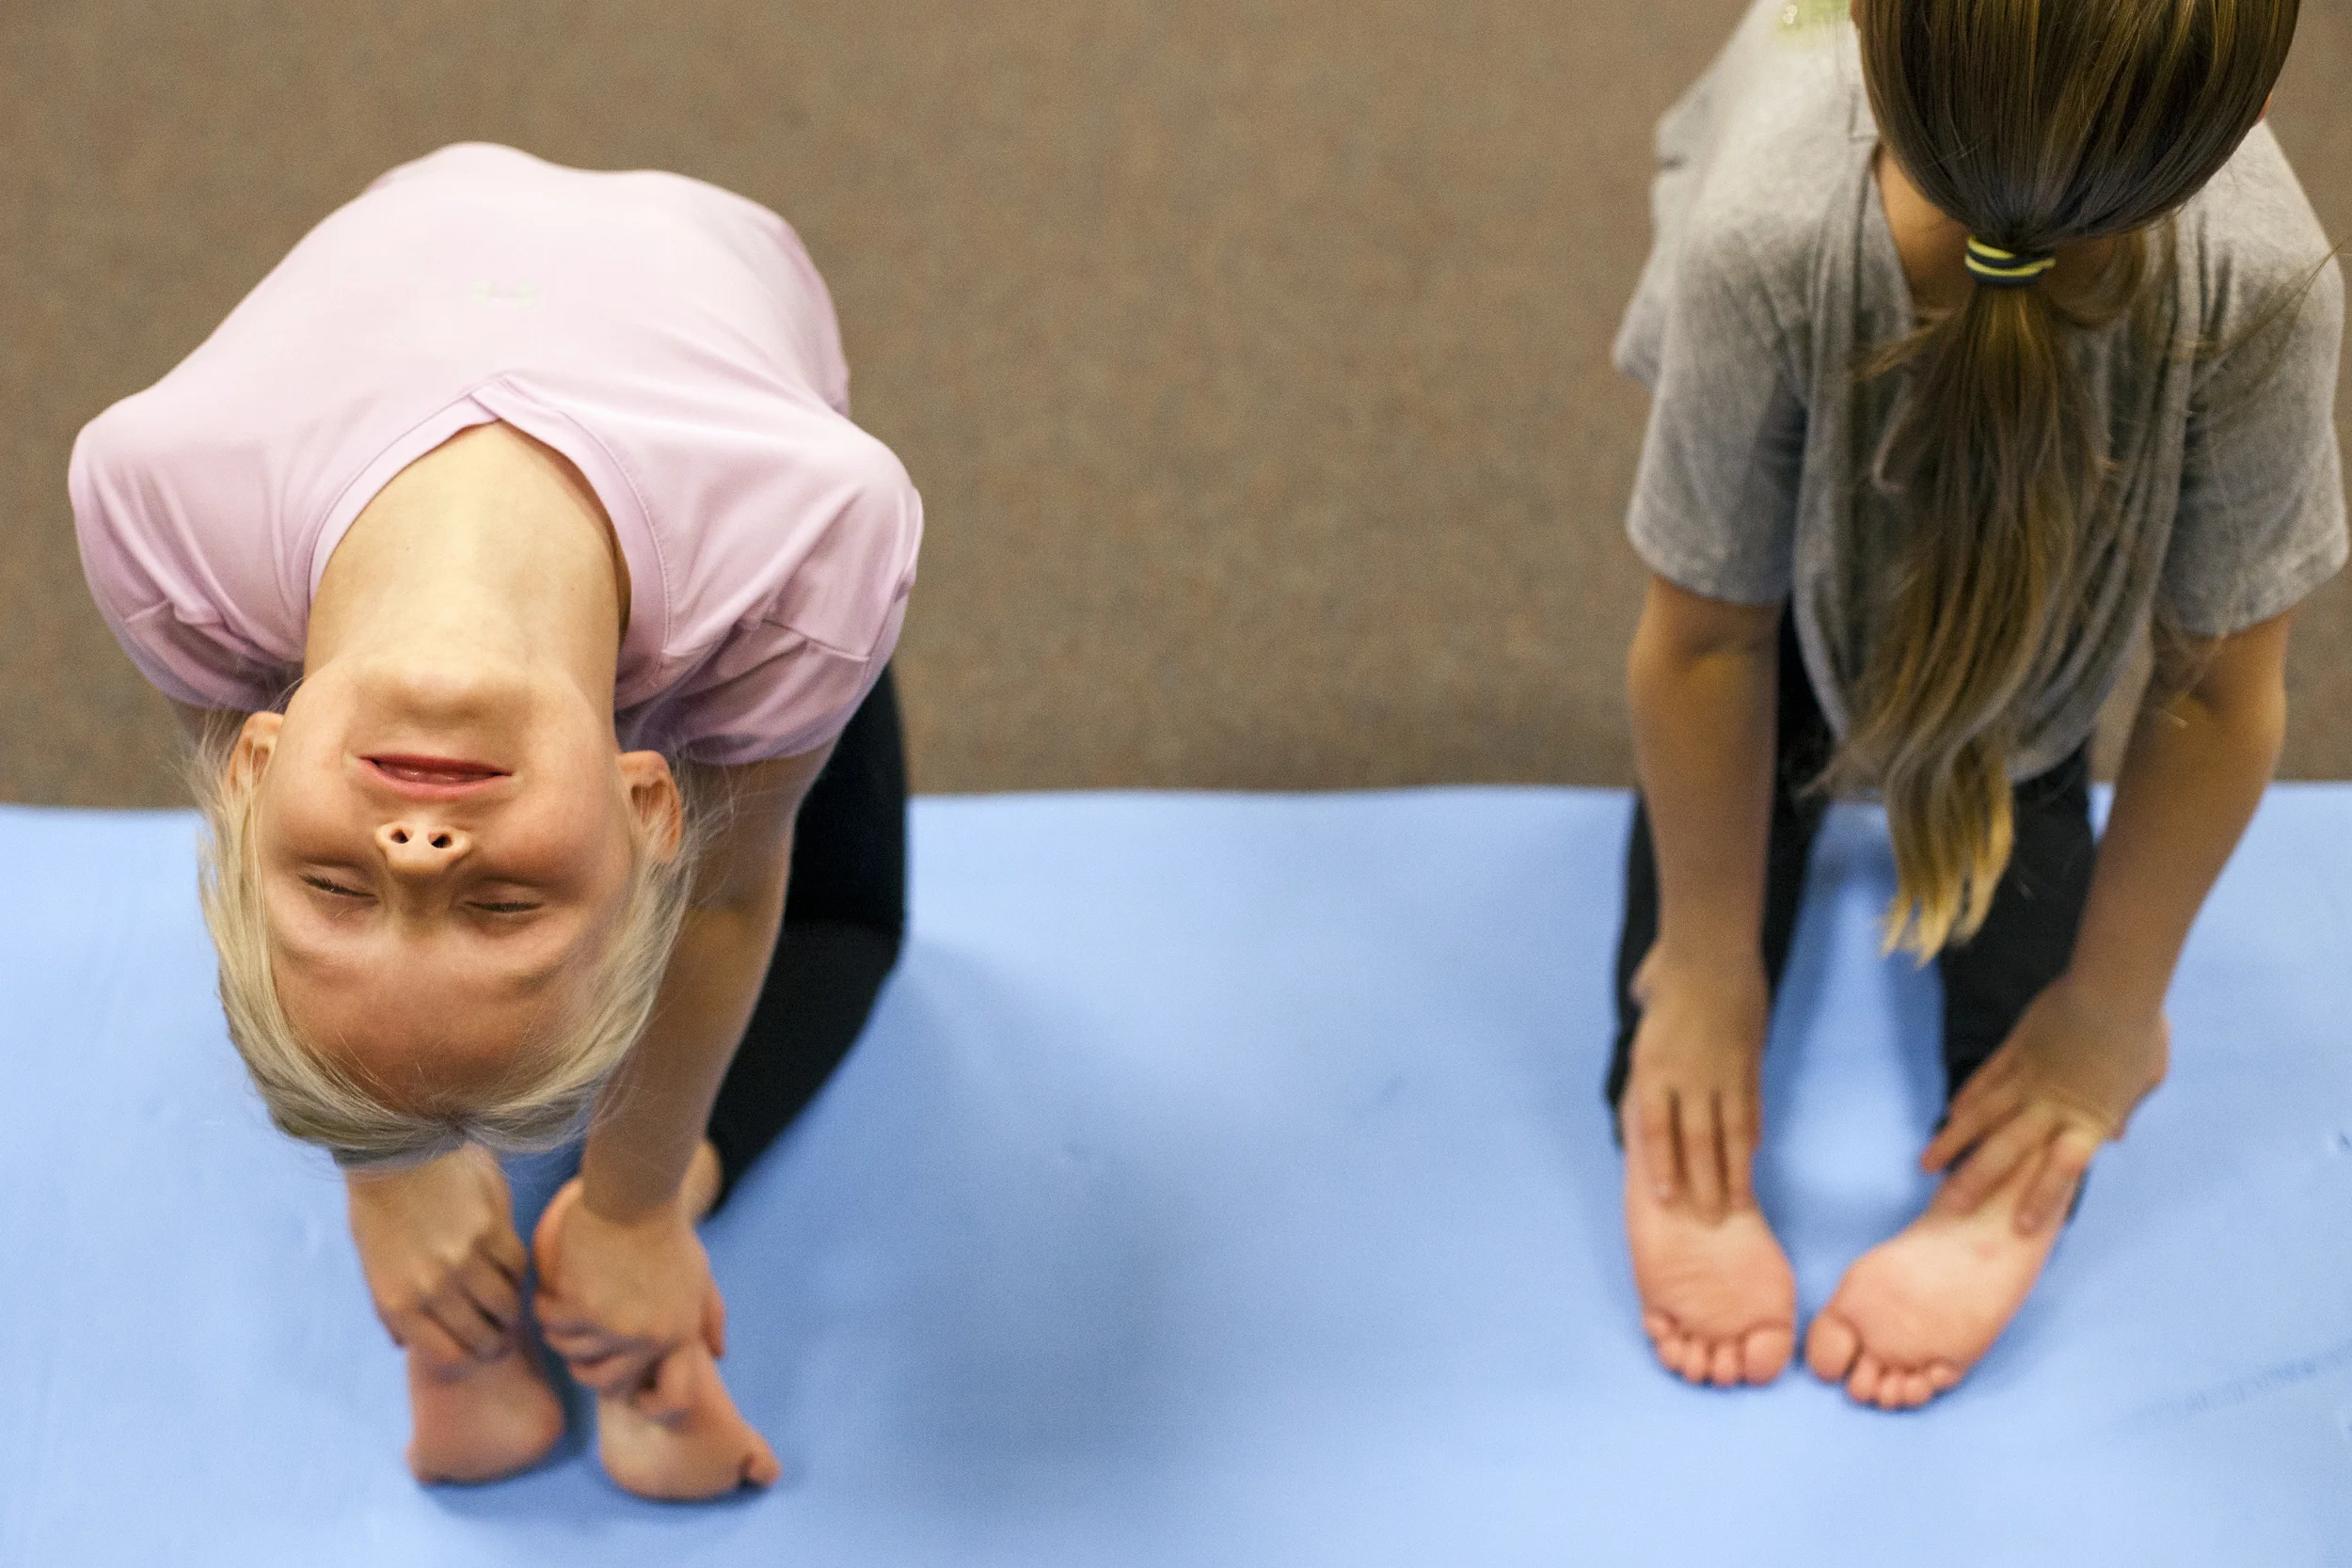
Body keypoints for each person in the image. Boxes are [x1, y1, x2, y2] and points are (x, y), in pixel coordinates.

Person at [70, 143, 921, 1496]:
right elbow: (703, 892)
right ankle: (507, 1319)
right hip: (704, 528)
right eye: (497, 904)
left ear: (257, 765)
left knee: (825, 912)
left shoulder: (164, 508)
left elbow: (723, 892)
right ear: (651, 801)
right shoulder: (804, 559)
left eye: (336, 889)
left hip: (678, 273)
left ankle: (587, 1258)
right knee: (832, 936)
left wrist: (640, 1207)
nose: (417, 852)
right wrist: (390, 1174)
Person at [1608, 0, 2342, 1407]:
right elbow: (1710, 645)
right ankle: (1704, 1017)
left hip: (2030, 703)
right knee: (1685, 973)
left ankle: (1989, 1131)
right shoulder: (1766, 234)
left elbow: (2214, 692)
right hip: (1789, 635)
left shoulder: (2261, 287)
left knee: (2031, 997)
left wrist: (2106, 1018)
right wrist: (1705, 965)